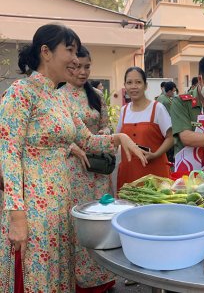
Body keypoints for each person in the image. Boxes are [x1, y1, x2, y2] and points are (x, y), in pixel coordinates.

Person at [0, 23, 146, 292]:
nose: (76, 59)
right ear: (46, 52)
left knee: (59, 277)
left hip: (61, 203)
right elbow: (8, 153)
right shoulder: (21, 93)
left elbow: (87, 139)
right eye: (70, 50)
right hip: (33, 210)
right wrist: (16, 216)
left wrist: (119, 137)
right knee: (37, 279)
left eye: (77, 52)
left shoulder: (59, 99)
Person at [58, 45, 116, 292]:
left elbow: (108, 126)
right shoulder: (57, 96)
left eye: (86, 67)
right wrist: (73, 146)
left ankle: (103, 277)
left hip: (98, 170)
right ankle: (78, 281)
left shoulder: (96, 95)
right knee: (78, 223)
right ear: (67, 66)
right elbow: (56, 136)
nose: (82, 72)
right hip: (73, 170)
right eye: (76, 66)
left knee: (100, 220)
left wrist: (104, 134)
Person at [116, 67, 174, 190]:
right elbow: (117, 139)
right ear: (125, 86)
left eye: (138, 82)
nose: (133, 86)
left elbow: (171, 137)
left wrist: (155, 154)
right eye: (129, 82)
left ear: (145, 85)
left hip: (155, 174)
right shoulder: (124, 111)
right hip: (129, 176)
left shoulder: (157, 108)